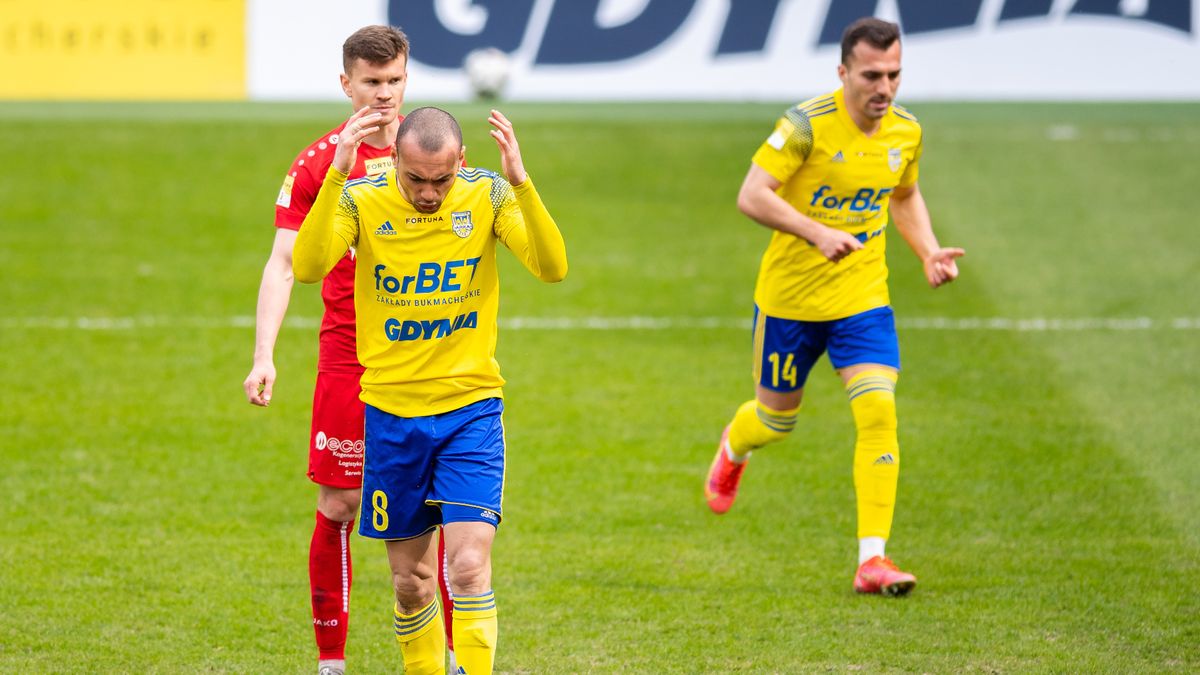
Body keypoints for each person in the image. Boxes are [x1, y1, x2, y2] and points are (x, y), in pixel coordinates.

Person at [293, 106, 567, 674]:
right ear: (394, 159)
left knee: (467, 568)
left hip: (471, 411)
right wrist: (340, 172)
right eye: (415, 179)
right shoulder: (361, 199)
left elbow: (552, 267)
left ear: (460, 163)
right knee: (411, 584)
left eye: (440, 180)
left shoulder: (487, 195)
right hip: (392, 419)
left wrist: (521, 180)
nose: (427, 193)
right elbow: (308, 265)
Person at [703, 17, 964, 597]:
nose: (885, 88)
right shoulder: (803, 127)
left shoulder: (904, 132)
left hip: (862, 299)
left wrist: (925, 251)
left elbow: (905, 193)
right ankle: (734, 445)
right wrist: (815, 232)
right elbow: (752, 196)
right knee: (775, 420)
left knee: (878, 413)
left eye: (895, 75)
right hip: (790, 302)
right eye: (873, 75)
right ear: (843, 72)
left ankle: (872, 560)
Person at [241, 25, 454, 674]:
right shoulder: (318, 164)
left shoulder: (433, 152)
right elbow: (283, 263)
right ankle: (331, 660)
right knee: (338, 504)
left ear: (406, 79)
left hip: (424, 358)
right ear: (347, 85)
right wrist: (264, 353)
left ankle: (447, 652)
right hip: (348, 357)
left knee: (437, 508)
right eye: (371, 83)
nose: (385, 95)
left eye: (394, 81)